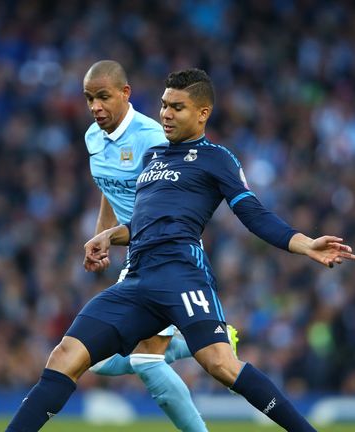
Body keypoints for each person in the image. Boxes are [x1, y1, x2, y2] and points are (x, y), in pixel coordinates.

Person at [6, 68, 355, 432]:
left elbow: (254, 214)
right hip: (137, 280)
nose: (165, 115)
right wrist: (109, 237)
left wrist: (305, 244)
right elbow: (143, 225)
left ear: (202, 113)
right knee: (65, 355)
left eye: (177, 107)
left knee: (220, 363)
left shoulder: (217, 158)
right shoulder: (152, 157)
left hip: (181, 274)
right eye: (163, 105)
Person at [81, 60, 214, 431]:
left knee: (144, 361)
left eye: (103, 97)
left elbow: (168, 204)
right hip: (134, 252)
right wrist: (101, 235)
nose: (95, 107)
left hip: (168, 251)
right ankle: (203, 339)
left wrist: (113, 235)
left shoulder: (154, 137)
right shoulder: (94, 138)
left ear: (125, 93)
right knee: (98, 361)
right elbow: (110, 187)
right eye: (89, 99)